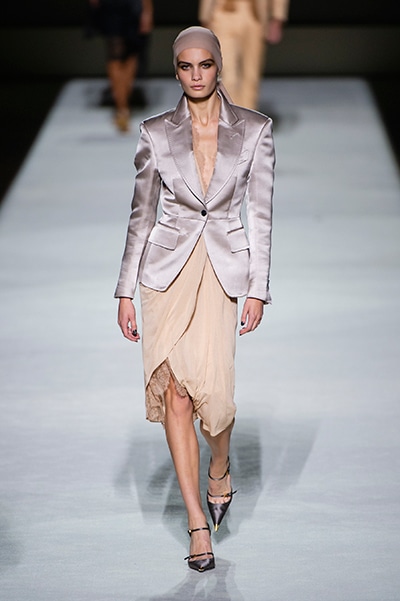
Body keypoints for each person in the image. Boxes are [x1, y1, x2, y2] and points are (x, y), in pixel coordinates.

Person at [115, 26, 275, 572]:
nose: (196, 75)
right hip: (166, 273)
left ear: (219, 66)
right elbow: (140, 214)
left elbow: (261, 216)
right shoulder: (155, 132)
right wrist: (125, 289)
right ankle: (197, 525)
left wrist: (258, 287)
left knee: (218, 399)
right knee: (178, 395)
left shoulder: (254, 130)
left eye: (205, 64)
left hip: (223, 269)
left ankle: (220, 466)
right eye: (186, 66)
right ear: (177, 71)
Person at [199, 0, 289, 109]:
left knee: (251, 75)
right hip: (221, 13)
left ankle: (247, 114)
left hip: (255, 16)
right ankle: (231, 116)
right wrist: (205, 17)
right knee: (226, 74)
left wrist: (277, 18)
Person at [88, 0, 153, 132]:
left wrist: (147, 11)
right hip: (112, 7)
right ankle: (122, 107)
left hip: (132, 7)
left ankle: (123, 105)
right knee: (116, 55)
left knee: (131, 53)